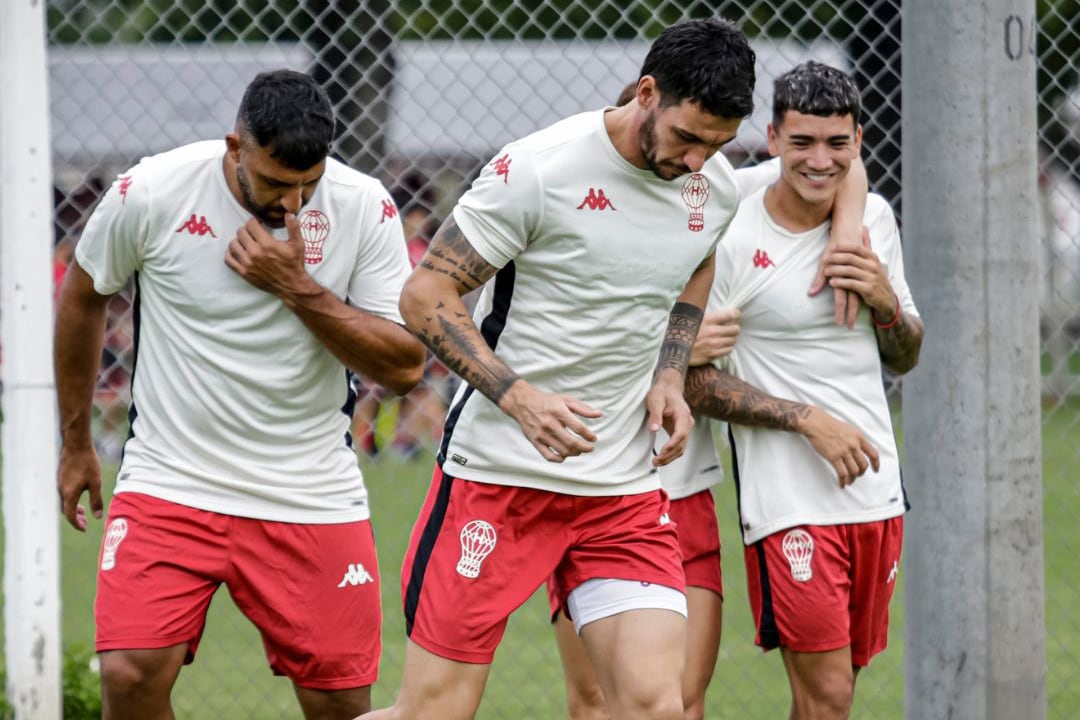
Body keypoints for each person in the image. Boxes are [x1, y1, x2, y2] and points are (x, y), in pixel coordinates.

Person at [361, 18, 761, 720]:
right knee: (432, 713)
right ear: (646, 93)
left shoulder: (714, 190)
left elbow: (698, 262)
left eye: (718, 145)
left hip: (620, 488)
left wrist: (669, 374)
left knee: (656, 707)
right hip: (497, 478)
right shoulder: (539, 170)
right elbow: (425, 295)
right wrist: (517, 397)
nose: (698, 161)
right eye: (687, 138)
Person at [54, 69, 425, 720]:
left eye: (309, 184)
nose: (293, 204)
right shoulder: (153, 191)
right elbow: (82, 296)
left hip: (308, 486)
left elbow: (404, 367)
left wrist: (297, 287)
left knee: (339, 701)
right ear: (235, 148)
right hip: (172, 477)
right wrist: (78, 442)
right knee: (129, 673)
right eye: (277, 183)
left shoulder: (365, 207)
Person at [547, 82, 874, 720]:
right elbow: (568, 353)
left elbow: (835, 161)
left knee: (681, 701)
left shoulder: (710, 190)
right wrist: (675, 348)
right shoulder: (570, 212)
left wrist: (847, 229)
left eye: (701, 145)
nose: (687, 157)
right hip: (589, 486)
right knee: (595, 701)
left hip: (680, 488)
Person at [682, 61, 924, 720]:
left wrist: (883, 301)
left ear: (859, 143)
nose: (820, 161)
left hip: (874, 492)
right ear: (772, 139)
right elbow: (696, 381)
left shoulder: (872, 218)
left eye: (836, 144)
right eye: (802, 143)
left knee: (837, 692)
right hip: (787, 500)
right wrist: (806, 419)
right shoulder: (733, 229)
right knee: (827, 696)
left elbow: (907, 350)